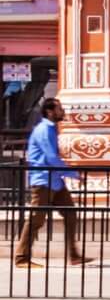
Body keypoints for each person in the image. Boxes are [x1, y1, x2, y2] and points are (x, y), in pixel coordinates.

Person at [12, 96, 85, 268]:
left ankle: (74, 255)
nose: (62, 111)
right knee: (36, 220)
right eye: (59, 109)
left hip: (55, 180)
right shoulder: (44, 130)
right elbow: (51, 157)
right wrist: (73, 174)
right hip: (43, 180)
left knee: (70, 214)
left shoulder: (52, 129)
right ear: (50, 111)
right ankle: (22, 258)